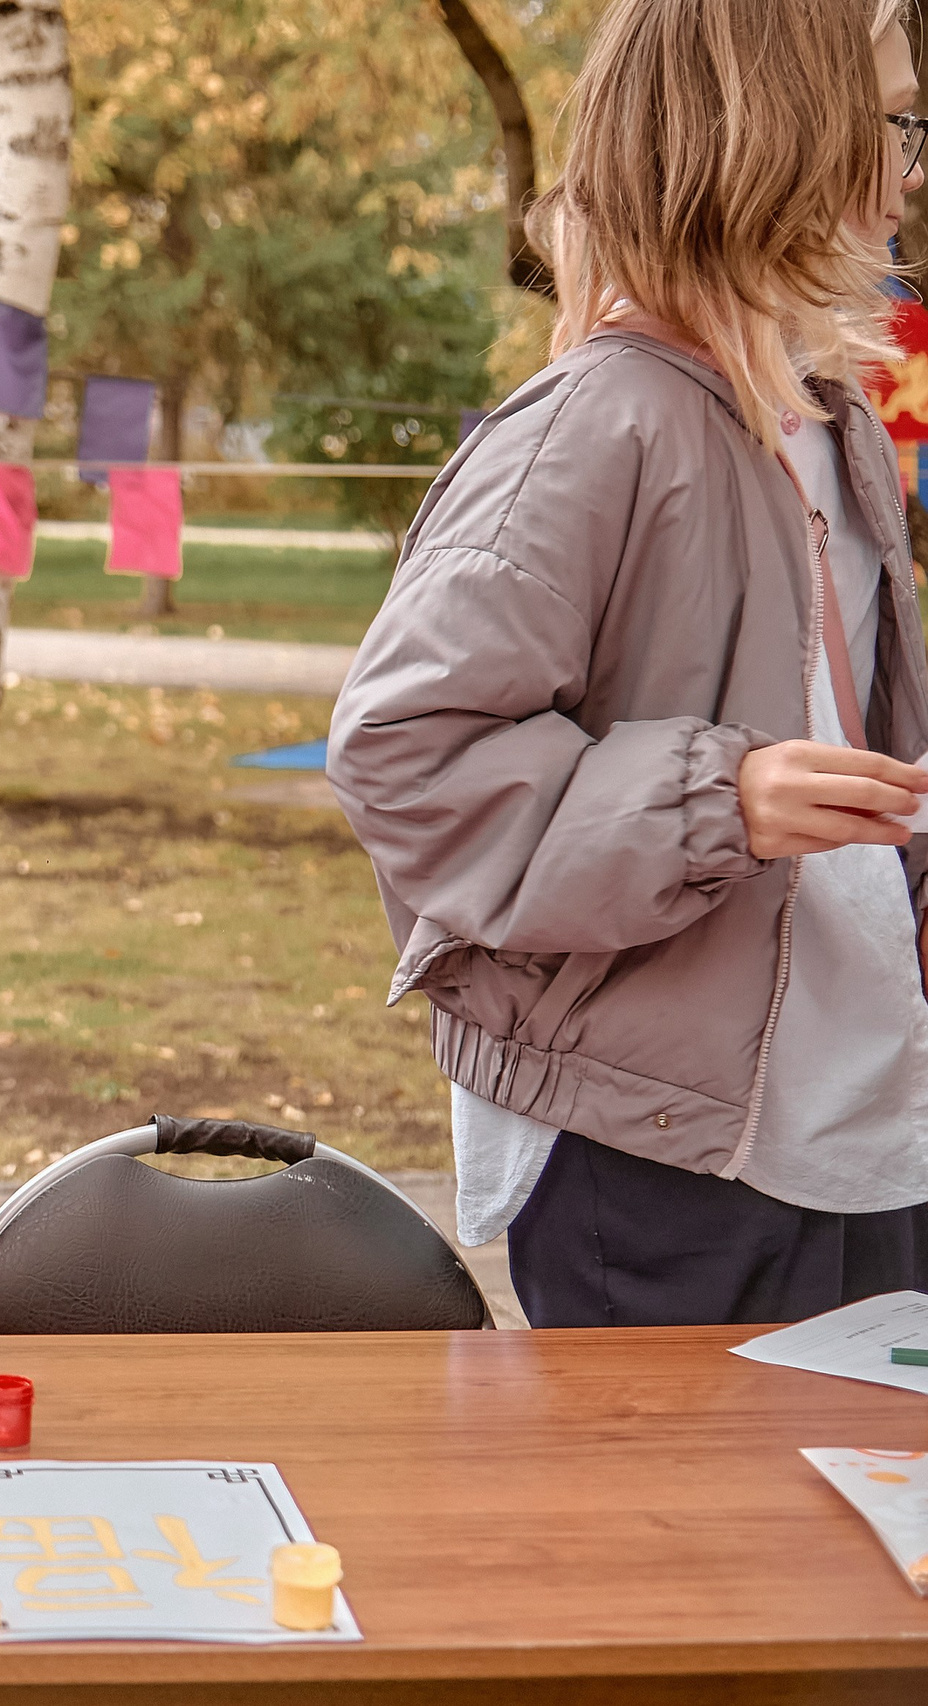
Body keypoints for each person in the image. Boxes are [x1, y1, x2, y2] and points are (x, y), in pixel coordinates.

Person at [328, 0, 928, 1328]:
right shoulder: (598, 424)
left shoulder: (835, 425)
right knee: (682, 1532)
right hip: (663, 1152)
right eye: (894, 124)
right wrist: (722, 801)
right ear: (780, 138)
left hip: (858, 1113)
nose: (913, 167)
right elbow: (405, 757)